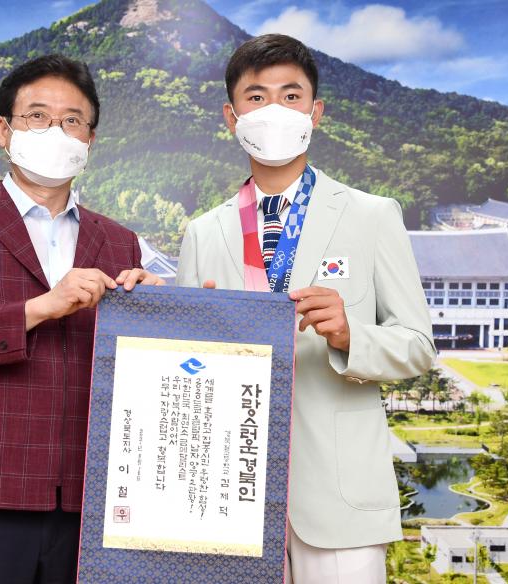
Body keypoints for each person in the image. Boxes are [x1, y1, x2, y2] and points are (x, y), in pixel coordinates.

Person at [176, 34, 435, 583]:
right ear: (231, 117)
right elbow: (184, 363)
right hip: (227, 493)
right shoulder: (202, 232)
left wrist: (350, 335)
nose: (274, 109)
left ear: (315, 112)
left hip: (338, 497)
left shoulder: (371, 216)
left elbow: (418, 347)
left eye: (290, 96)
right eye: (256, 97)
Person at [0, 54, 162, 584]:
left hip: (92, 505)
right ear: (5, 131)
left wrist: (164, 315)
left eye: (72, 120)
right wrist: (40, 308)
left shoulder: (120, 241)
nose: (55, 131)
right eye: (37, 116)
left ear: (90, 139)